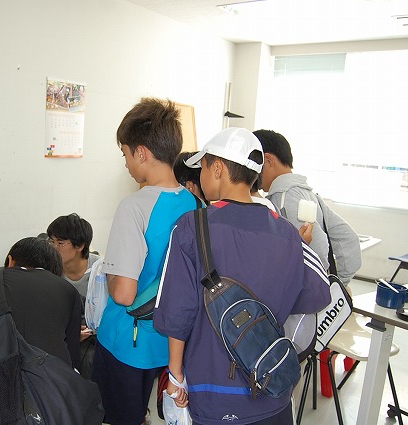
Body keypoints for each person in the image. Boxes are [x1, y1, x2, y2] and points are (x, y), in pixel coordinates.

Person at [153, 127, 331, 425]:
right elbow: (317, 294)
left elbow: (177, 311)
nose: (201, 176)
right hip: (271, 386)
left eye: (203, 167)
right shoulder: (286, 231)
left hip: (213, 391)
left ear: (218, 169)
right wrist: (301, 247)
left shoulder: (191, 227)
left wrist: (175, 375)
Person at [93, 97, 200, 425]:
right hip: (173, 343)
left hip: (128, 341)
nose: (125, 163)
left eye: (125, 153)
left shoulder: (134, 207)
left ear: (141, 153)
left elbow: (124, 294)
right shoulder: (196, 205)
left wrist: (107, 272)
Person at [0, 237, 82, 425]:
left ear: (11, 261)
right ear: (54, 269)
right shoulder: (68, 291)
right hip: (46, 407)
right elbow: (72, 360)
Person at [254, 129, 361, 285]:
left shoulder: (283, 198)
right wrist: (338, 284)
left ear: (268, 160)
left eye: (254, 163)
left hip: (300, 295)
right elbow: (349, 239)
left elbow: (317, 247)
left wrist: (323, 286)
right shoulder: (310, 194)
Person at [47, 213, 102, 377]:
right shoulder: (49, 271)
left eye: (60, 243)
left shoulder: (100, 269)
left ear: (80, 246)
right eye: (51, 241)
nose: (53, 247)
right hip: (64, 337)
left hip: (97, 337)